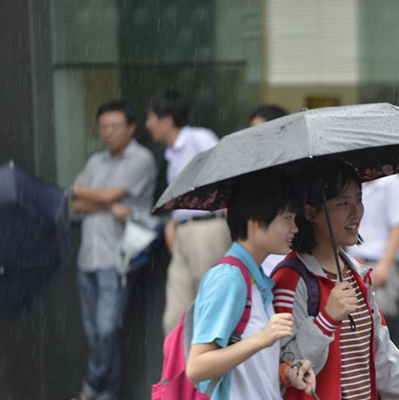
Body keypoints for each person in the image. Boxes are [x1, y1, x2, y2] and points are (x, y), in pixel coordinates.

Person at [272, 160, 399, 400]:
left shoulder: (359, 276)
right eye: (343, 203)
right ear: (310, 212)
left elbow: (382, 355)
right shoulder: (289, 280)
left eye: (359, 199)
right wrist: (325, 321)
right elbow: (284, 366)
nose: (356, 212)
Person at [186, 168, 316, 399]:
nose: (295, 228)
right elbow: (197, 367)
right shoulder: (229, 279)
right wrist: (262, 339)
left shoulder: (253, 280)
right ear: (256, 221)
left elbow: (249, 370)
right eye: (287, 218)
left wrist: (287, 372)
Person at [71, 100, 157, 400]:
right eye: (103, 126)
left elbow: (107, 194)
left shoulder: (141, 159)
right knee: (97, 334)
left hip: (116, 258)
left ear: (131, 127)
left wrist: (92, 195)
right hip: (87, 259)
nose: (108, 132)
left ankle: (92, 385)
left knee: (107, 330)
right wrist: (103, 201)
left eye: (114, 126)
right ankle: (108, 394)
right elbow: (76, 200)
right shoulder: (96, 161)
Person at [146, 89, 232, 334]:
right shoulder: (171, 153)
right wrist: (174, 222)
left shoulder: (199, 138)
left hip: (207, 229)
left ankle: (209, 371)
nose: (148, 124)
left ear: (167, 120)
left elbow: (224, 176)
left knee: (208, 310)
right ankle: (180, 372)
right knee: (174, 319)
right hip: (184, 232)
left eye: (151, 117)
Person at [346, 173, 399, 333]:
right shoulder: (360, 186)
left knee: (381, 324)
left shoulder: (394, 184)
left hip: (378, 264)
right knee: (358, 325)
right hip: (354, 263)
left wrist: (384, 266)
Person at [246, 104, 291, 275]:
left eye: (261, 134)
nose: (255, 141)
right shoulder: (247, 177)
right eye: (252, 134)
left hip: (287, 271)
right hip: (257, 271)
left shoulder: (296, 177)